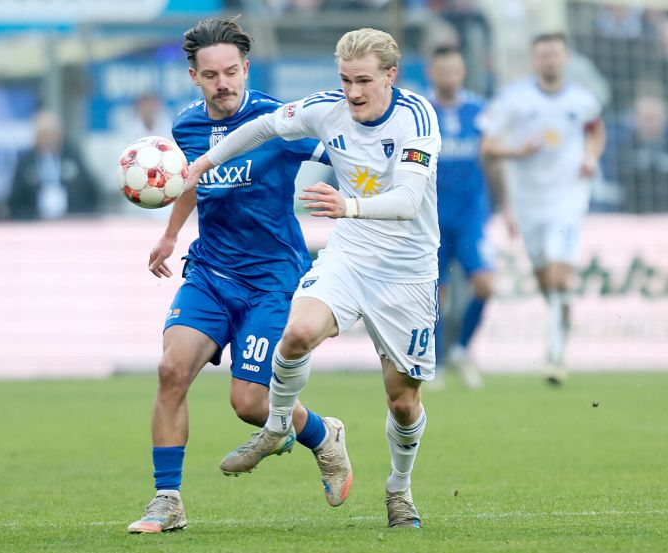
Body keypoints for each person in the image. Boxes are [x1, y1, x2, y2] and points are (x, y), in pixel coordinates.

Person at [184, 27, 441, 529]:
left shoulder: (417, 117)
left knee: (403, 401)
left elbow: (409, 202)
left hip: (406, 272)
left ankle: (399, 489)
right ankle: (279, 427)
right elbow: (260, 129)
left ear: (391, 75)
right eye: (345, 80)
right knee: (297, 332)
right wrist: (207, 162)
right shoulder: (326, 108)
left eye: (364, 80)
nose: (353, 93)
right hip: (349, 255)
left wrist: (348, 204)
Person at [127, 17, 351, 535]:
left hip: (272, 278)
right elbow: (190, 178)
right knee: (170, 371)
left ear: (246, 67)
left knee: (250, 405)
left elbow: (342, 156)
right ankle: (167, 500)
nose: (223, 83)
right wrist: (170, 236)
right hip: (210, 271)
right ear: (193, 77)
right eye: (211, 75)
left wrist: (355, 201)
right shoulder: (186, 126)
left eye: (231, 71)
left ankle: (323, 435)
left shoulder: (277, 119)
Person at [479, 32, 606, 385]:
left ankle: (555, 356)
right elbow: (488, 147)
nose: (549, 60)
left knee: (558, 268)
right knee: (545, 277)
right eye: (543, 55)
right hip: (528, 202)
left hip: (568, 197)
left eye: (555, 54)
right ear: (535, 61)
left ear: (565, 59)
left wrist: (590, 158)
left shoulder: (582, 100)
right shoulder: (514, 100)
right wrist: (516, 153)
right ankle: (560, 315)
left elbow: (597, 132)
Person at [425, 46, 510, 389]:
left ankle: (461, 349)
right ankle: (438, 364)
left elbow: (493, 158)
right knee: (434, 294)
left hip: (472, 216)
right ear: (433, 73)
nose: (449, 77)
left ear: (462, 73)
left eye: (455, 70)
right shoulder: (423, 111)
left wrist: (507, 206)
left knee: (485, 285)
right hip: (432, 219)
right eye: (443, 70)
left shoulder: (480, 110)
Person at [8, 111, 100, 220]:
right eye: (42, 135)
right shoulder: (25, 163)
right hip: (35, 227)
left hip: (72, 225)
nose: (47, 140)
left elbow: (92, 192)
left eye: (51, 134)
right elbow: (15, 201)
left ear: (59, 134)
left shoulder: (73, 158)